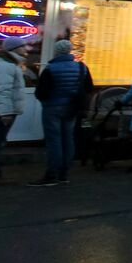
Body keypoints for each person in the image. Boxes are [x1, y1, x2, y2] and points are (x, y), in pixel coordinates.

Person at [31, 39, 93, 186]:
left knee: (54, 140)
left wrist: (46, 101)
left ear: (56, 51)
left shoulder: (51, 69)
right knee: (68, 139)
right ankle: (64, 174)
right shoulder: (81, 67)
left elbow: (41, 91)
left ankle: (52, 174)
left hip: (52, 107)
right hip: (71, 108)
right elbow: (89, 87)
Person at [0, 43, 27, 183]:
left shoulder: (5, 64)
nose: (25, 49)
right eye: (22, 46)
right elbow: (2, 91)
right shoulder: (6, 66)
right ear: (14, 49)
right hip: (0, 111)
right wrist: (6, 113)